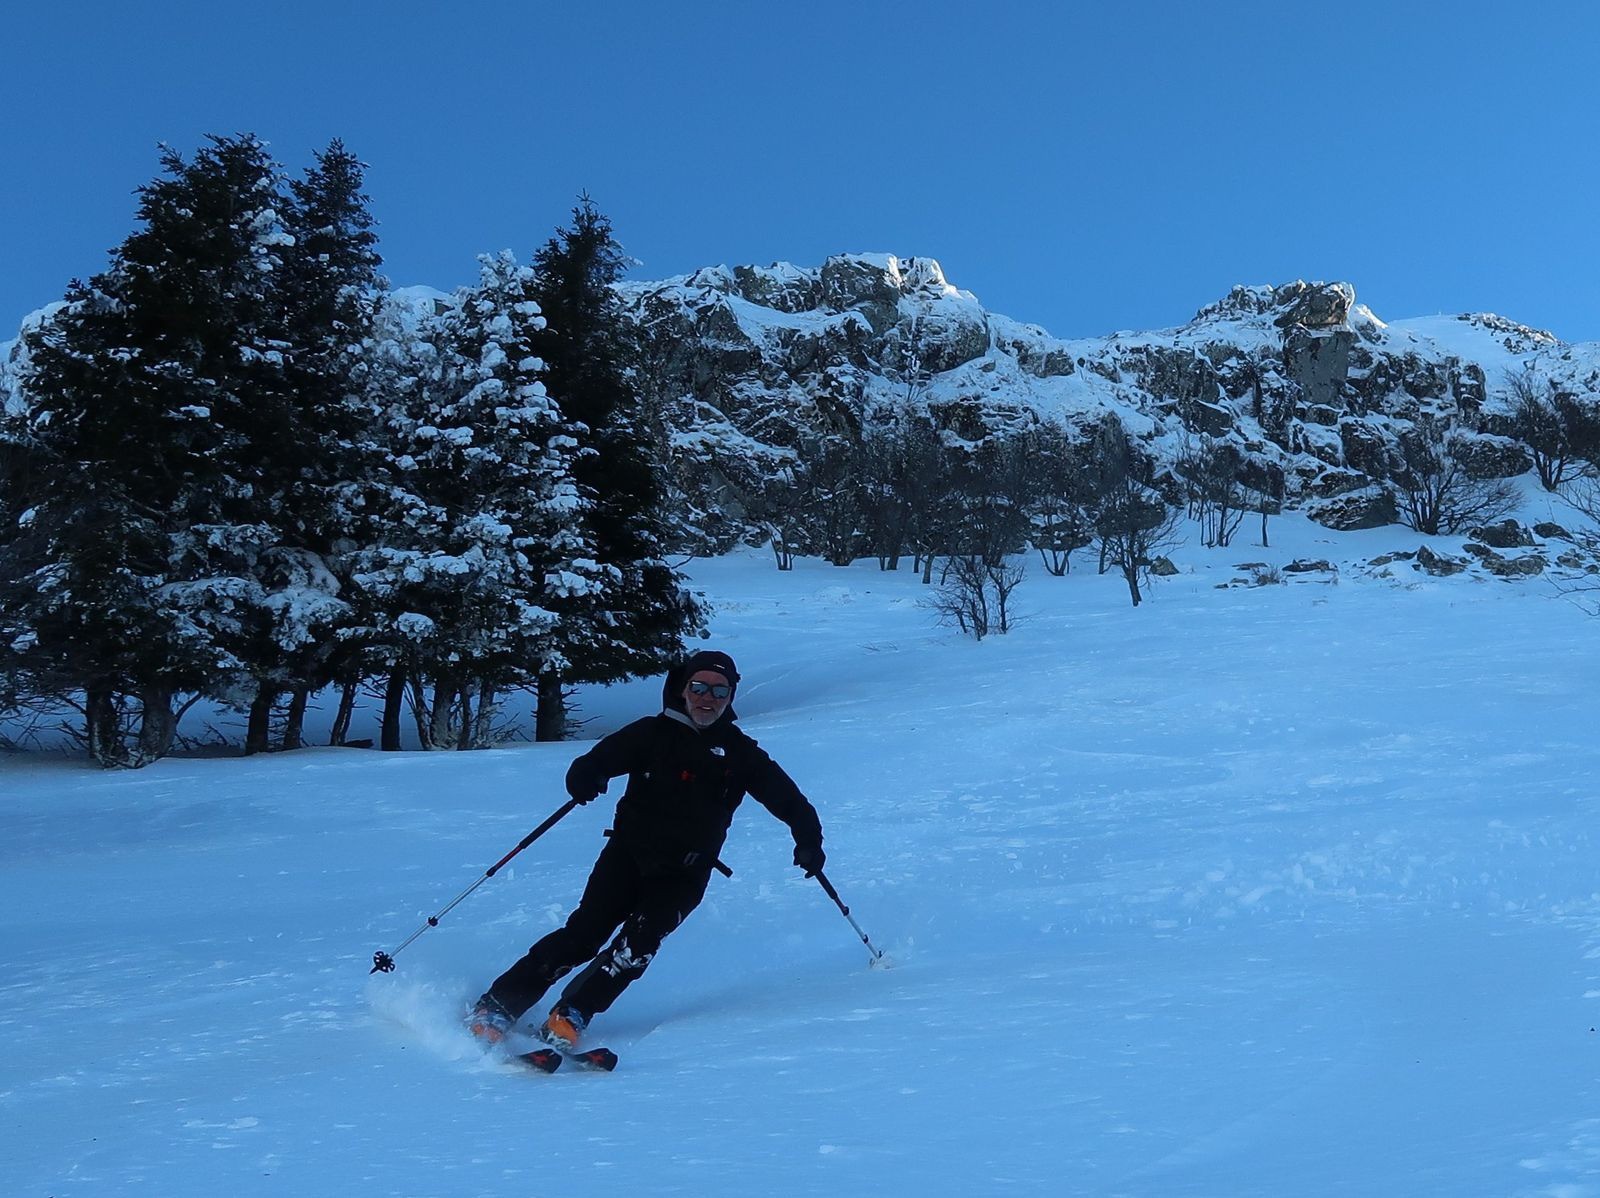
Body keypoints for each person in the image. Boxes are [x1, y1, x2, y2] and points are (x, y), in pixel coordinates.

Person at [467, 649, 825, 1049]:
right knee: (584, 936)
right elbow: (594, 761)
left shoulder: (740, 754)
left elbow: (790, 801)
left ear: (730, 697)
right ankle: (498, 1004)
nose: (708, 699)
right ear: (683, 688)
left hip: (685, 873)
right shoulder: (650, 734)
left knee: (636, 947)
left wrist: (808, 841)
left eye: (719, 691)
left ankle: (572, 1013)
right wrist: (586, 777)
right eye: (699, 687)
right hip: (627, 857)